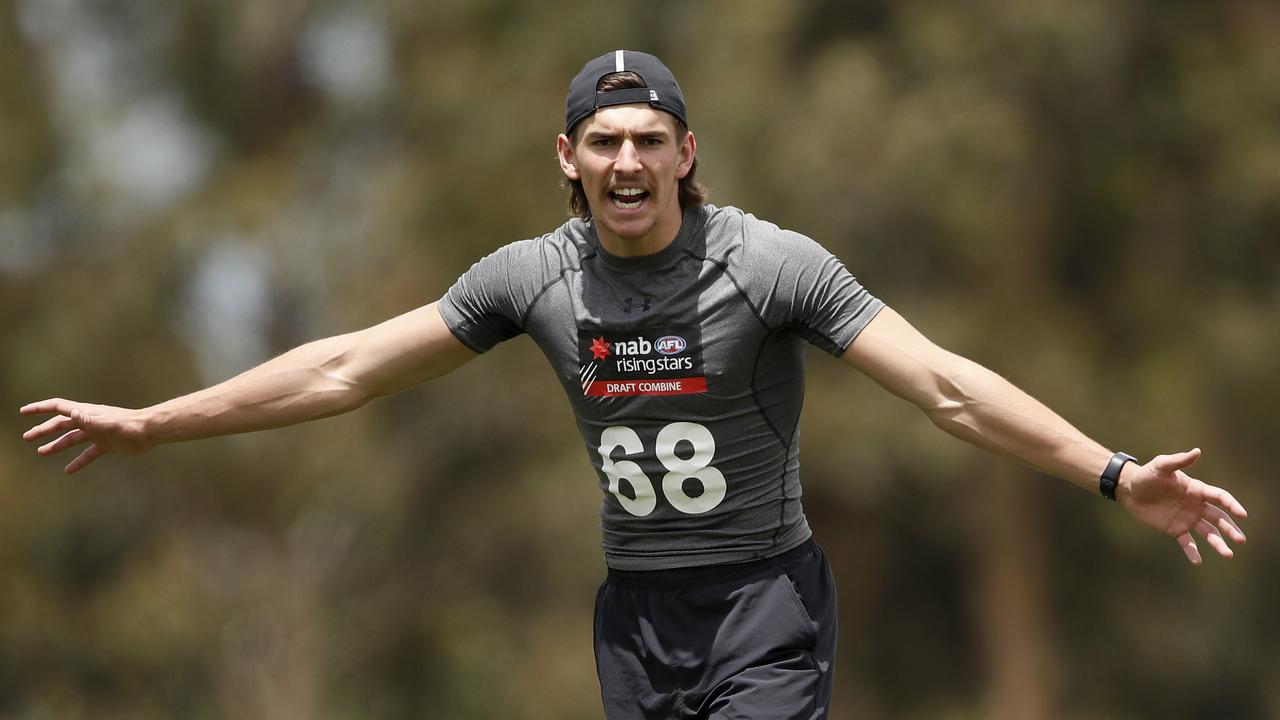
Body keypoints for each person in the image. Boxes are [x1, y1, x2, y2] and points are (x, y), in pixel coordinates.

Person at [20, 50, 1248, 720]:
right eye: (601, 141)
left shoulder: (767, 264)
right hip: (636, 623)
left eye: (647, 139)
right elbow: (344, 366)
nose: (625, 160)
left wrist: (1109, 470)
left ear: (684, 154)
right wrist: (156, 422)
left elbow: (943, 386)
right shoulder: (527, 279)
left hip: (767, 608)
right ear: (568, 159)